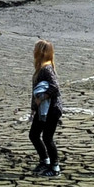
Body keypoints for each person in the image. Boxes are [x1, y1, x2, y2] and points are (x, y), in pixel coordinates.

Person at [29, 39, 64, 177]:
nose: (33, 51)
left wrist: (41, 98)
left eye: (36, 49)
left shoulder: (47, 69)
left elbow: (55, 87)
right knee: (34, 135)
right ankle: (45, 160)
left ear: (42, 52)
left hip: (52, 109)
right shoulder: (41, 68)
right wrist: (33, 108)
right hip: (42, 109)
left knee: (47, 137)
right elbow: (35, 91)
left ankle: (55, 168)